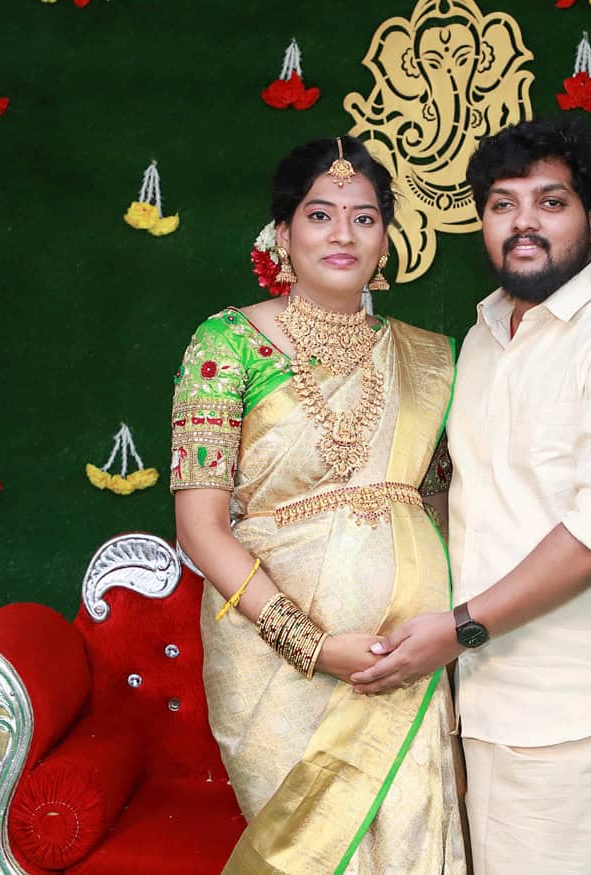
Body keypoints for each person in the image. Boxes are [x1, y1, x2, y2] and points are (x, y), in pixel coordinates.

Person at [351, 117, 591, 873]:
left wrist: (457, 629)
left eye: (551, 202)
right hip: (489, 709)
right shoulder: (482, 339)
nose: (523, 223)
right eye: (502, 203)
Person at [171, 135, 466, 874]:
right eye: (320, 214)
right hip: (275, 665)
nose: (342, 234)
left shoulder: (430, 357)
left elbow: (440, 506)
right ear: (283, 232)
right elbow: (200, 528)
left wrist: (439, 627)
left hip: (405, 646)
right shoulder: (225, 343)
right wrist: (310, 643)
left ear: (386, 238)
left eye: (364, 218)